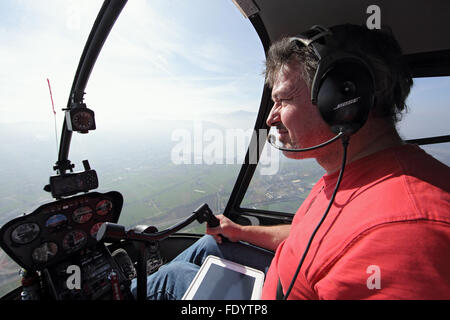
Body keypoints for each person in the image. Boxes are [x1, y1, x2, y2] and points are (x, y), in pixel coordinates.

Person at [131, 24, 450, 299]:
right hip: (283, 279)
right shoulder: (349, 175)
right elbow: (307, 236)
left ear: (342, 99)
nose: (270, 118)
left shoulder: (404, 234)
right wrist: (241, 231)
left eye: (282, 100)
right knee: (208, 248)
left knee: (168, 282)